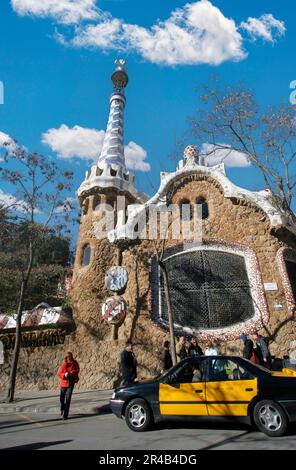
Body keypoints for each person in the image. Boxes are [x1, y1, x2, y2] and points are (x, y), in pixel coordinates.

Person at [58, 351, 80, 420]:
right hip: (63, 384)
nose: (69, 358)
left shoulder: (74, 362)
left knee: (68, 399)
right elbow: (59, 373)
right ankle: (62, 408)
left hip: (70, 383)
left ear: (71, 357)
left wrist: (71, 372)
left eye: (70, 357)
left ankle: (65, 415)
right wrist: (64, 375)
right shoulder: (64, 363)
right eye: (67, 357)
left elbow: (77, 370)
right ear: (66, 357)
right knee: (62, 399)